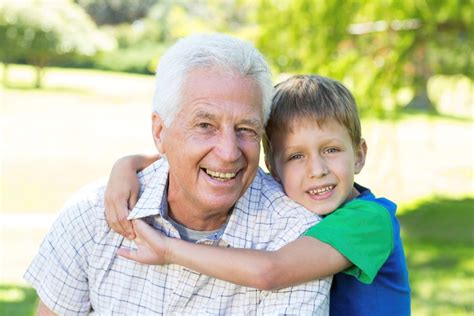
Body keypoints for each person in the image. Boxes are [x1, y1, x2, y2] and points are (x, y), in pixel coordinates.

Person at [24, 34, 331, 315]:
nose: (228, 152)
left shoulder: (296, 242)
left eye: (245, 129)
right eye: (205, 126)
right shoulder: (92, 215)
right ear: (160, 132)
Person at [105, 75, 411, 315]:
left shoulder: (370, 221)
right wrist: (128, 165)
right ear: (272, 170)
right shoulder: (290, 201)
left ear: (359, 155)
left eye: (331, 150)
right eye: (296, 157)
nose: (316, 170)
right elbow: (195, 159)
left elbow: (271, 271)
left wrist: (169, 250)